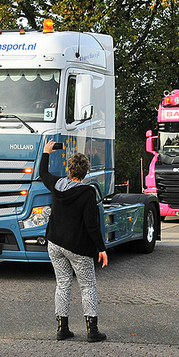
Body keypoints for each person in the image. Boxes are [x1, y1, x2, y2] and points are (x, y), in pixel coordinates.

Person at [40, 139, 108, 343]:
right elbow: (91, 225)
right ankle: (92, 331)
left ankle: (62, 328)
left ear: (69, 170)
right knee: (87, 286)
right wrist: (101, 248)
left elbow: (43, 173)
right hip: (78, 248)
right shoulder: (87, 193)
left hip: (55, 244)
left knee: (62, 285)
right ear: (85, 172)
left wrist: (46, 152)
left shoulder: (57, 185)